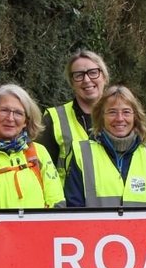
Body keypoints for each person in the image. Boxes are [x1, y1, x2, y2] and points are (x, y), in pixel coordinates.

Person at [0, 84, 65, 265]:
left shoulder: (39, 153)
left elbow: (56, 203)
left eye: (18, 113)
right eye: (4, 110)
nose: (10, 118)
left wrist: (46, 244)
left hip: (39, 255)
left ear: (26, 121)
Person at [65, 85, 146, 207]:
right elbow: (73, 208)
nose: (120, 119)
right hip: (93, 227)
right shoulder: (82, 153)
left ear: (135, 116)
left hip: (140, 227)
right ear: (101, 116)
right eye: (112, 112)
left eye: (126, 112)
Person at [35, 49, 110, 181]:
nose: (86, 80)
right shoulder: (53, 119)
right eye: (79, 75)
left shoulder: (122, 118)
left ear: (104, 77)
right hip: (67, 200)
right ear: (72, 82)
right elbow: (39, 170)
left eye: (93, 73)